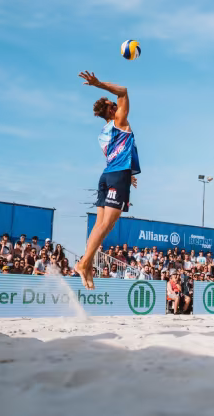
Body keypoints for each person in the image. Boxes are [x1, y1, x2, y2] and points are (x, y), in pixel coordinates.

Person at [75, 71, 141, 290]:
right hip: (117, 177)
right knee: (106, 225)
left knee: (101, 225)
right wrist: (98, 84)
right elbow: (123, 91)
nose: (118, 104)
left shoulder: (103, 132)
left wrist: (129, 173)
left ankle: (86, 264)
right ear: (111, 110)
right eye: (114, 104)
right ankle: (84, 264)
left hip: (108, 175)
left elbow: (117, 154)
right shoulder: (119, 121)